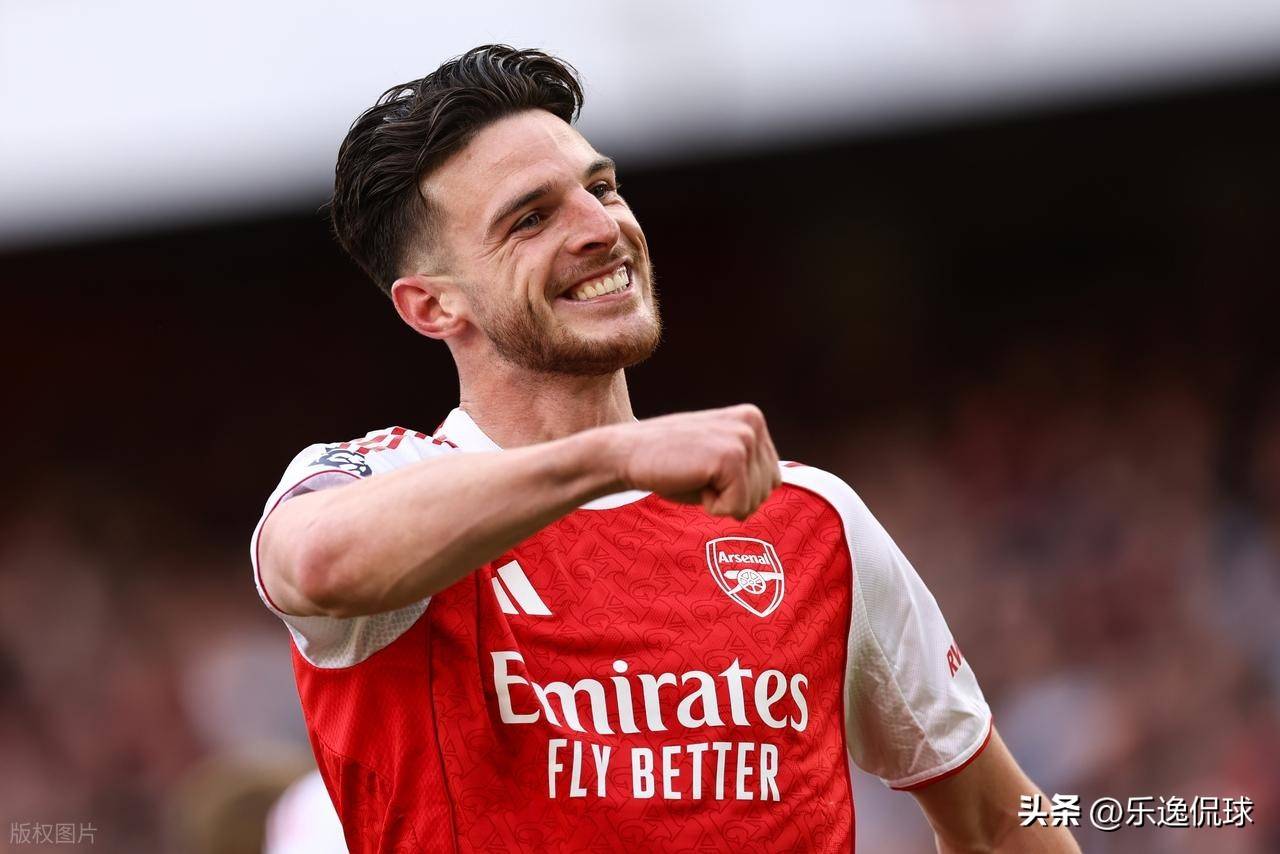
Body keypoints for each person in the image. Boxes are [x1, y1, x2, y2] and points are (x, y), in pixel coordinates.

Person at [252, 44, 1078, 853]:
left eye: (601, 188)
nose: (600, 228)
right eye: (530, 219)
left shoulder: (810, 519)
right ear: (433, 306)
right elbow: (315, 564)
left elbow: (1001, 824)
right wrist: (609, 459)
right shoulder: (386, 483)